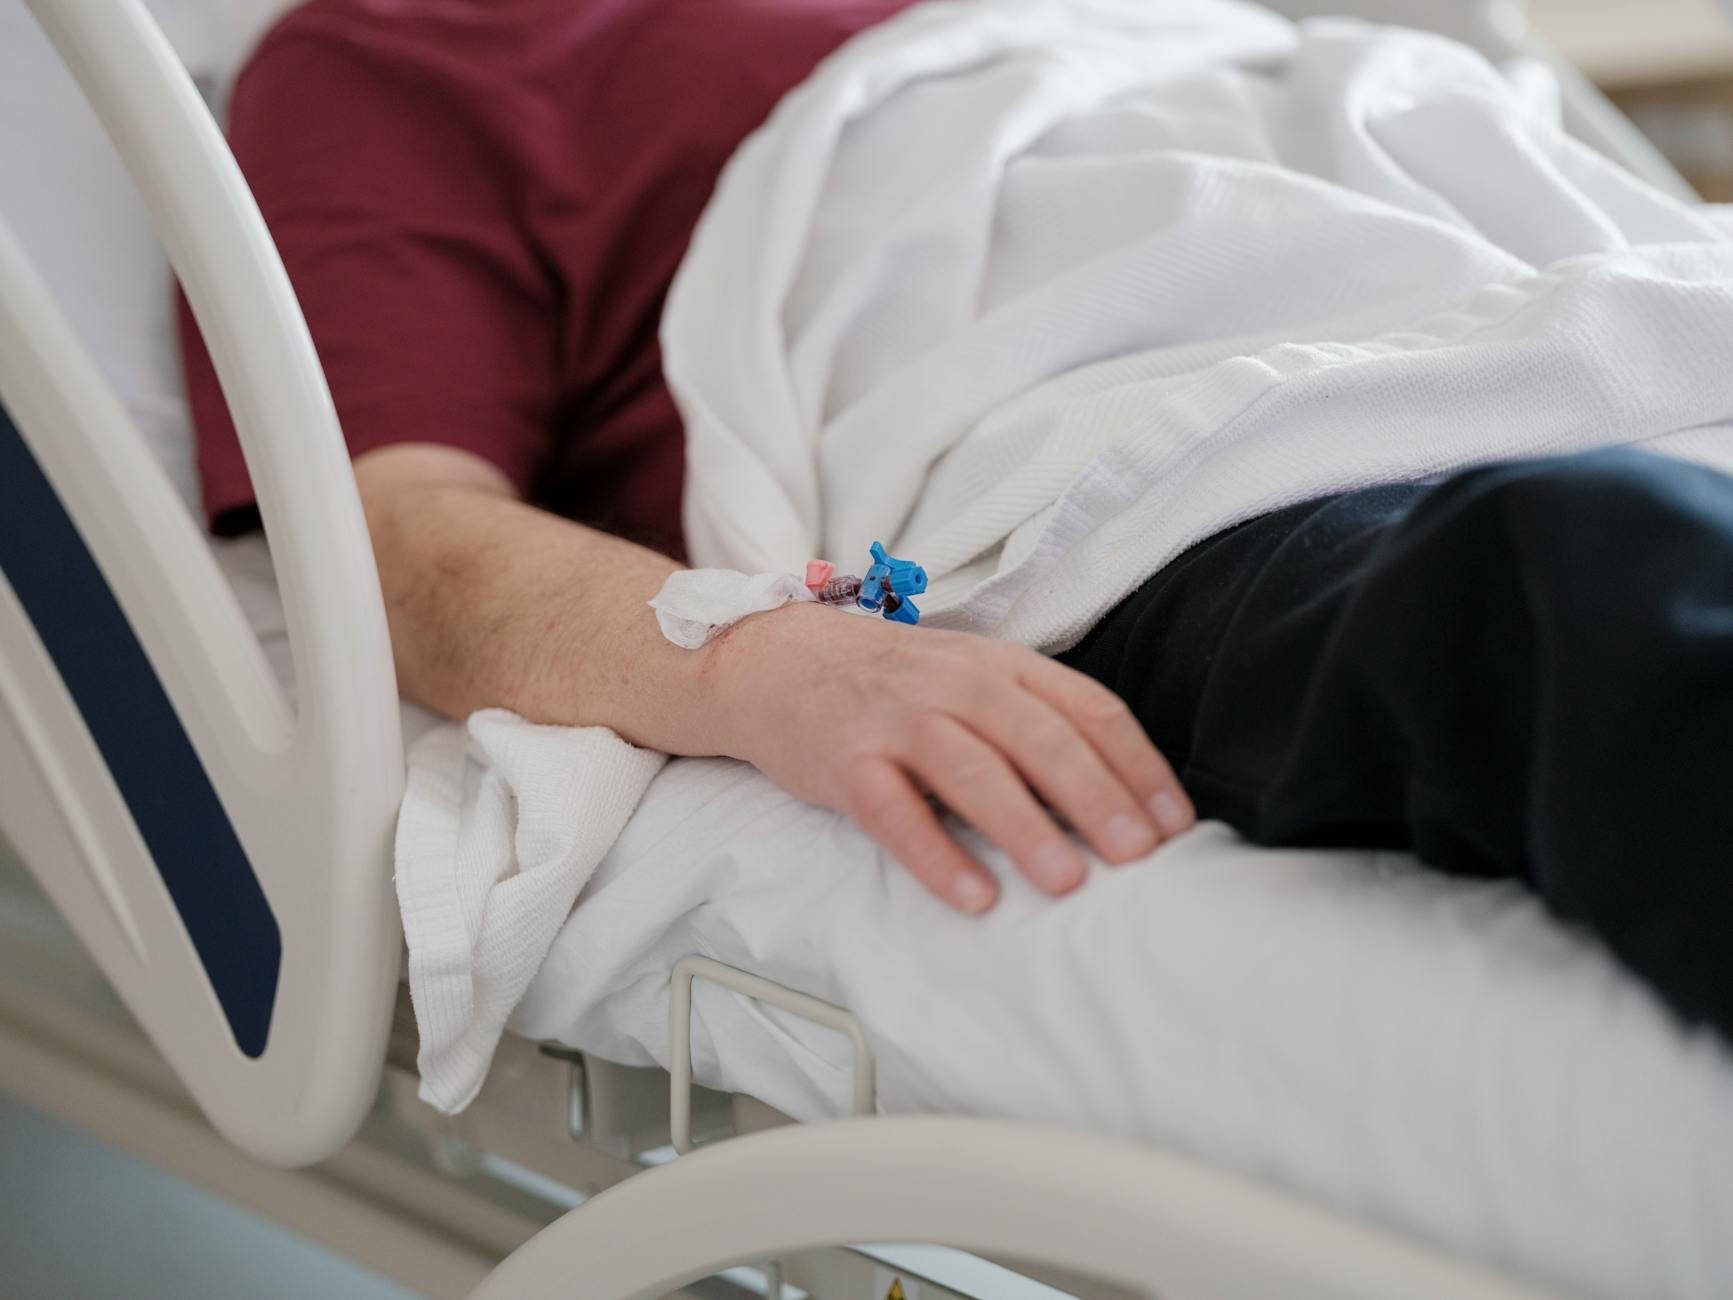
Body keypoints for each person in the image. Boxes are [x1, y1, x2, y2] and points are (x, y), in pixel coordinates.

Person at [181, 0, 1733, 1043]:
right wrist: (755, 664)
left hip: (1605, 324)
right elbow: (388, 537)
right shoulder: (392, 57)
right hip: (1174, 454)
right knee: (1589, 588)